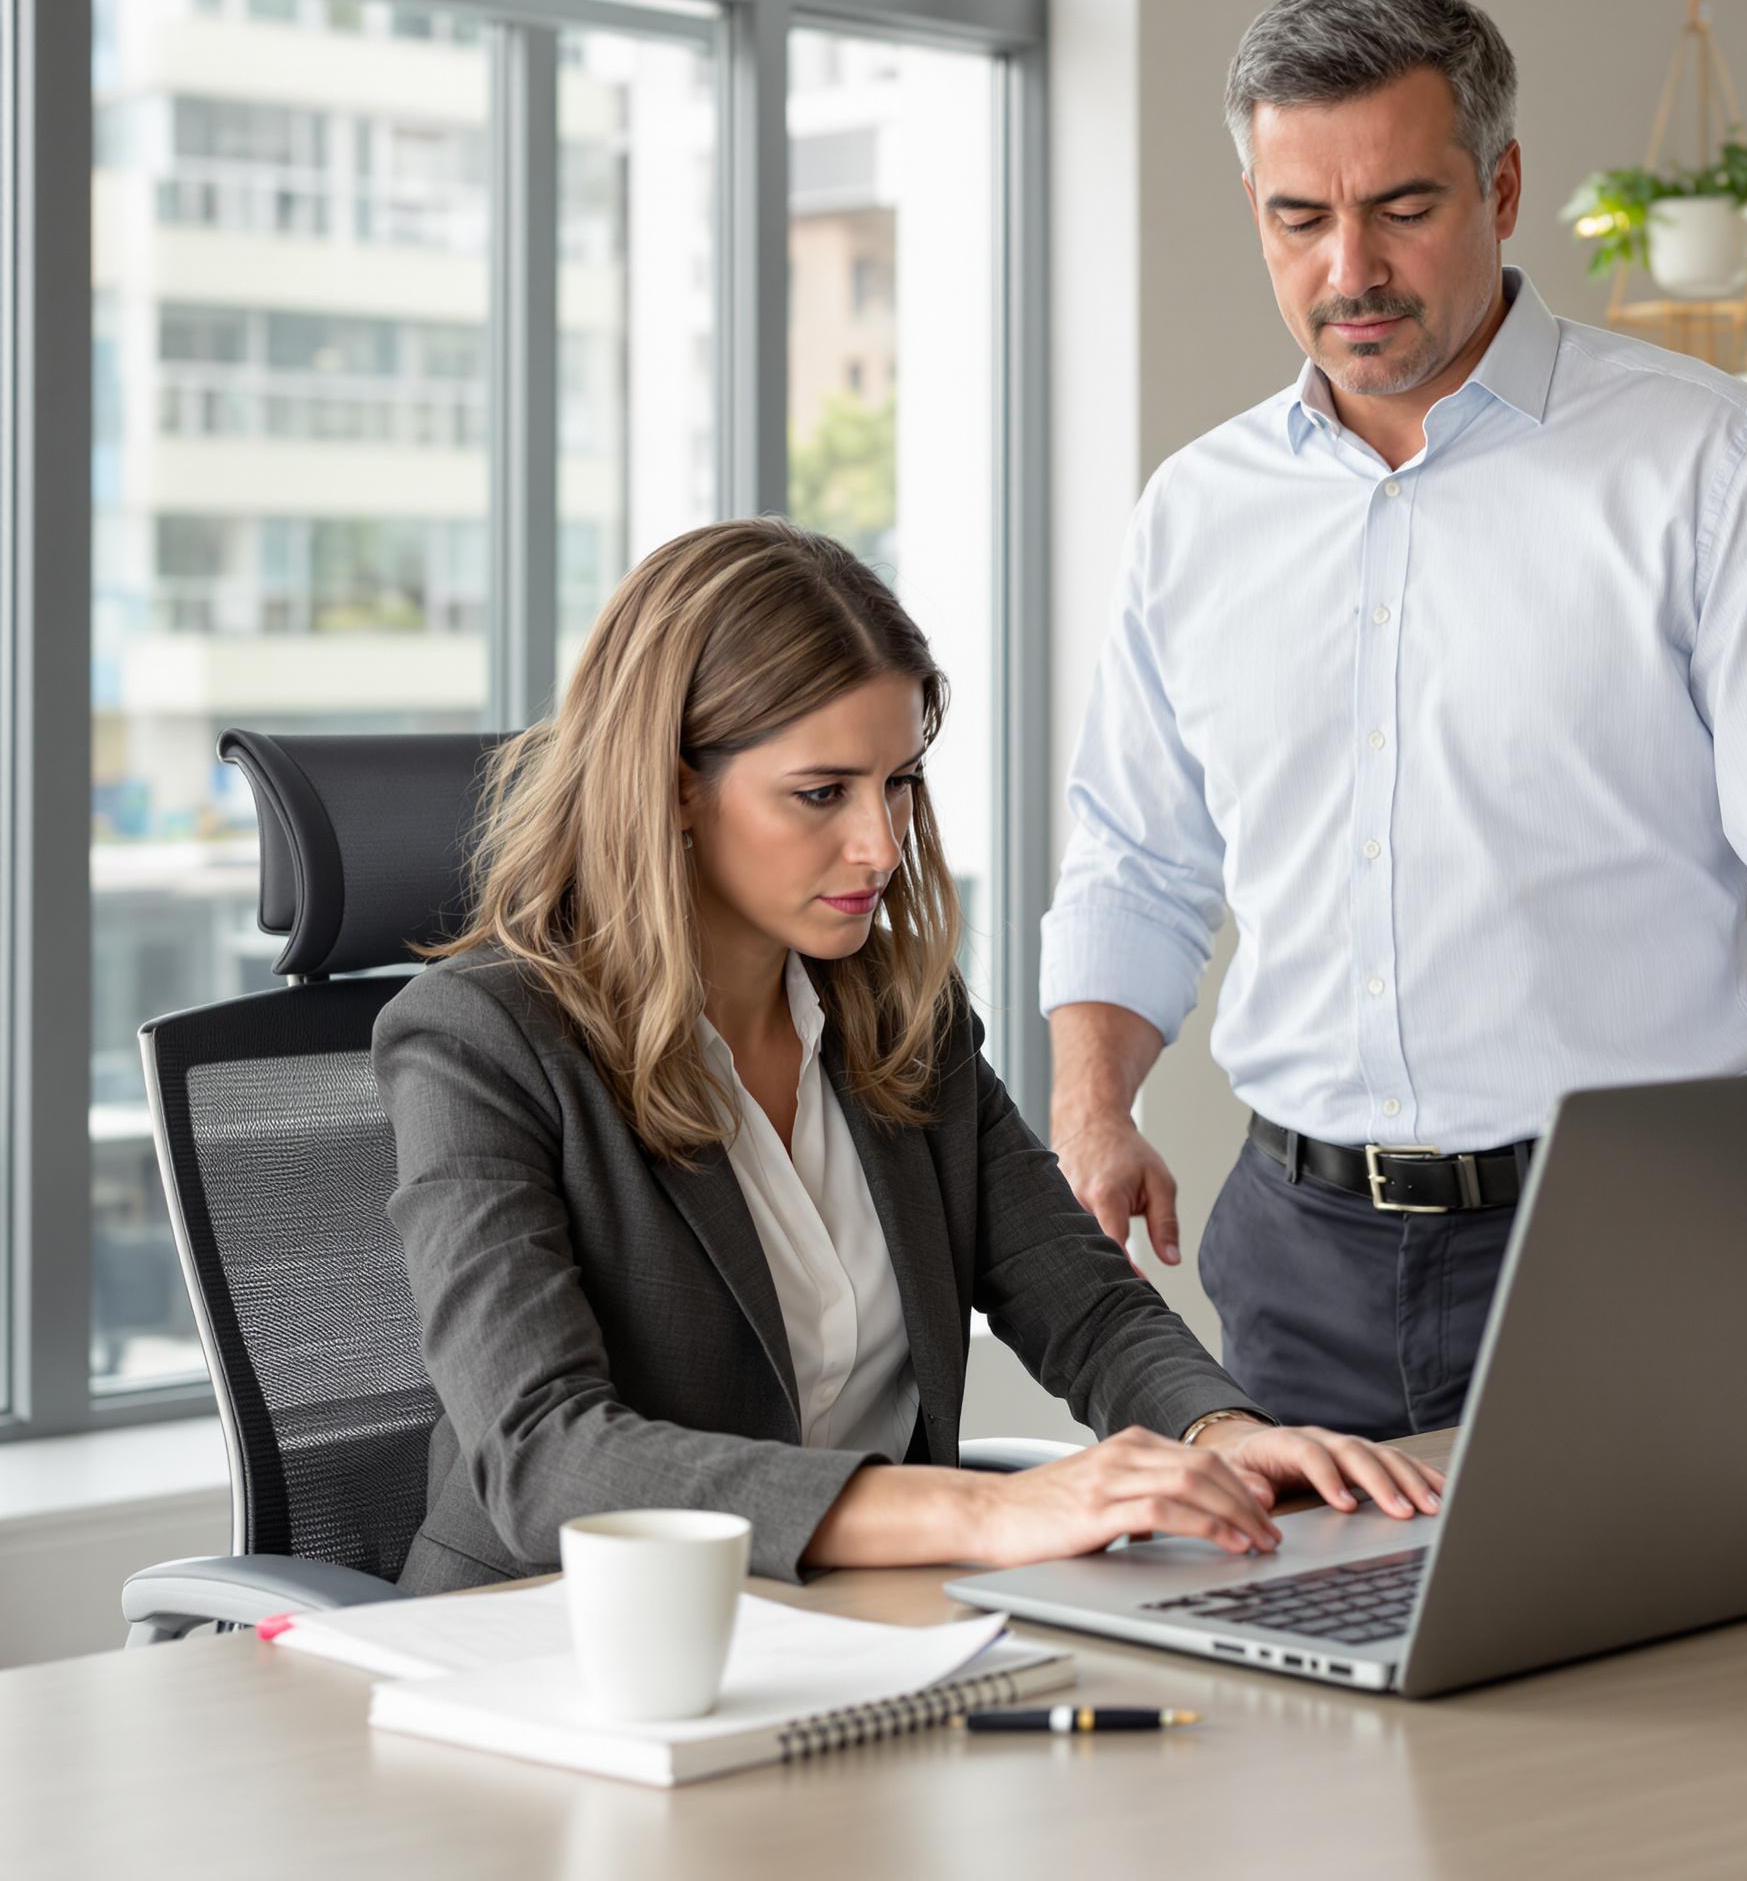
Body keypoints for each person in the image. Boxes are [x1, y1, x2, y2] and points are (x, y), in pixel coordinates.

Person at [1042, 0, 1747, 1439]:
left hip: (1631, 1246)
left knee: (1660, 1670)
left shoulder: (1714, 473)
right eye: (1298, 218)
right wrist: (1092, 1106)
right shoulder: (1197, 512)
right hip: (1292, 1262)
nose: (1350, 272)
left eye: (1404, 207)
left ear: (1502, 188)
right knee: (1292, 1668)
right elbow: (1136, 854)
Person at [372, 518, 1446, 1593]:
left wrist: (1212, 1428)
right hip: (555, 1643)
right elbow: (544, 1454)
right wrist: (987, 1506)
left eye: (900, 782)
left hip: (853, 1629)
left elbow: (1079, 1299)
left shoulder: (897, 1016)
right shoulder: (481, 1044)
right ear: (674, 786)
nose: (880, 844)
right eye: (821, 791)